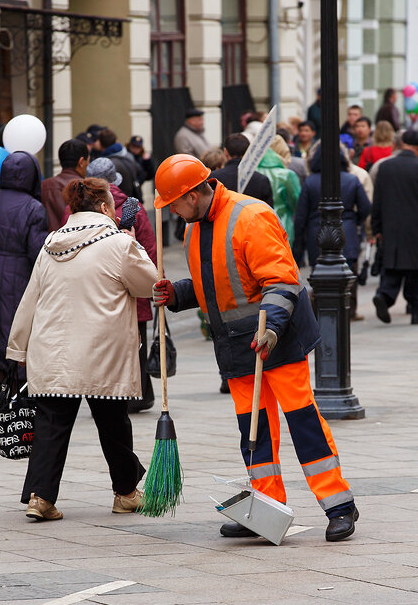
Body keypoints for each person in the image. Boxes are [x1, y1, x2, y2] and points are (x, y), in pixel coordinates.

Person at [152, 154, 358, 542]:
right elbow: (213, 287)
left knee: (303, 423)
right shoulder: (194, 230)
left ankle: (339, 506)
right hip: (236, 346)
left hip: (274, 339)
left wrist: (273, 329)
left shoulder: (250, 216)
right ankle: (266, 511)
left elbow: (281, 281)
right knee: (254, 430)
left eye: (174, 204)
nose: (172, 212)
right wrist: (177, 294)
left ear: (193, 195)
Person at [6, 177, 159, 521]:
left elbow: (31, 297)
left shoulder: (51, 243)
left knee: (52, 424)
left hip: (53, 349)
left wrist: (17, 347)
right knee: (113, 423)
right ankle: (126, 493)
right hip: (100, 350)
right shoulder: (118, 243)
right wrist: (134, 243)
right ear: (105, 207)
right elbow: (149, 284)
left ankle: (40, 498)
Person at [87, 158, 158, 411]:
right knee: (136, 344)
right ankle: (140, 395)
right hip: (132, 288)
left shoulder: (77, 210)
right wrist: (154, 282)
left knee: (104, 345)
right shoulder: (131, 206)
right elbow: (149, 246)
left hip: (97, 289)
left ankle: (110, 395)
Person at [0, 152, 48, 408]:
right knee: (15, 329)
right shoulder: (32, 207)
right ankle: (15, 387)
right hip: (16, 274)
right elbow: (36, 249)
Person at [294, 146, 371, 319]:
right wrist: (354, 220)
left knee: (320, 274)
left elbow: (301, 213)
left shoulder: (310, 181)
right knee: (348, 272)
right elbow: (366, 206)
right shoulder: (352, 180)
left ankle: (322, 309)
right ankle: (348, 310)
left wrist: (300, 237)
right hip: (347, 231)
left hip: (317, 233)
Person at [371, 130, 418, 326]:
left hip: (392, 227)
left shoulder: (385, 167)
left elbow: (378, 201)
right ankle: (417, 312)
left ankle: (384, 295)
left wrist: (377, 227)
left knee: (392, 267)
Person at [256, 143, 301, 246]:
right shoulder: (287, 175)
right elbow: (296, 202)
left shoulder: (252, 173)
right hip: (282, 222)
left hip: (257, 224)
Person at [210, 133, 273, 206]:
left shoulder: (214, 178)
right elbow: (268, 211)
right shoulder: (261, 180)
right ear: (248, 151)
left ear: (225, 152)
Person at [41, 139, 89, 231]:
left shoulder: (44, 186)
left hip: (48, 242)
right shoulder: (87, 188)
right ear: (81, 162)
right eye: (87, 161)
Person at [97, 128, 143, 199]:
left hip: (119, 200)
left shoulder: (106, 163)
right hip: (130, 199)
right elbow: (140, 172)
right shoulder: (127, 155)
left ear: (100, 143)